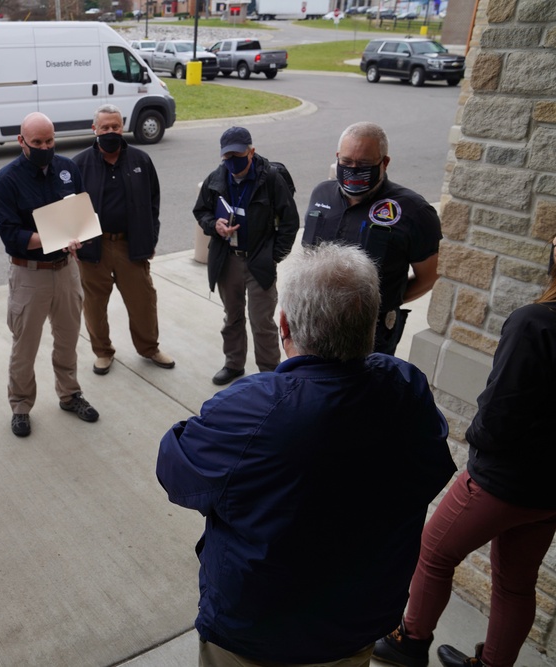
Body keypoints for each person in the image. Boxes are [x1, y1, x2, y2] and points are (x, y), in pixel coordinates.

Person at [157, 243, 456, 666]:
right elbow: (432, 470)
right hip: (356, 625)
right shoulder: (404, 388)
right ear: (370, 326)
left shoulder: (252, 408)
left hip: (256, 636)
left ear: (283, 325)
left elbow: (175, 466)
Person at [373, 260, 556, 667]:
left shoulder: (534, 323)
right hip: (549, 493)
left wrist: (475, 443)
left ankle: (411, 640)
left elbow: (499, 415)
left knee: (434, 552)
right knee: (516, 584)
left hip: (503, 480)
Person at [0, 111, 99, 438]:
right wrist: (56, 238)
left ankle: (70, 394)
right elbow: (11, 236)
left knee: (68, 338)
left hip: (66, 269)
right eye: (37, 142)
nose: (45, 146)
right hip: (30, 274)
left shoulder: (67, 169)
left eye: (49, 141)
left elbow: (81, 213)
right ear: (21, 141)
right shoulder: (6, 180)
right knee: (25, 345)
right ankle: (21, 405)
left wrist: (81, 235)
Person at [302, 121, 441, 356]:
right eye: (346, 162)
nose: (353, 170)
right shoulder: (321, 194)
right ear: (337, 158)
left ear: (384, 162)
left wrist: (381, 303)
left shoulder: (413, 211)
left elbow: (430, 275)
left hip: (372, 333)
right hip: (316, 323)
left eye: (364, 164)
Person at [71, 104, 173, 375]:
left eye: (115, 126)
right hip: (95, 248)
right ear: (95, 129)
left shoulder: (140, 160)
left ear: (123, 126)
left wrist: (151, 239)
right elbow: (69, 206)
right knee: (94, 306)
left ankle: (149, 348)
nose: (111, 131)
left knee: (143, 302)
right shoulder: (79, 164)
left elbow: (154, 204)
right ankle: (103, 352)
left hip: (132, 245)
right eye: (105, 127)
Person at [192, 126, 298, 387]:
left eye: (238, 154)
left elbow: (290, 221)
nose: (232, 161)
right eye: (227, 156)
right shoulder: (216, 179)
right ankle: (233, 364)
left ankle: (269, 374)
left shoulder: (271, 179)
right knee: (232, 317)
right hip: (228, 259)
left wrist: (274, 256)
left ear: (252, 151)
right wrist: (213, 226)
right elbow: (201, 211)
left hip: (259, 261)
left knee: (262, 320)